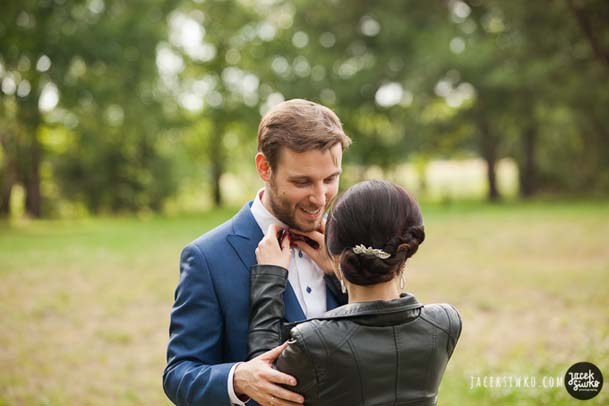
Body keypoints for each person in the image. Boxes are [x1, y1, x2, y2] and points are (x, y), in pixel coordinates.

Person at [163, 99, 352, 406]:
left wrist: (342, 276)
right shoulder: (207, 258)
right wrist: (238, 378)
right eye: (302, 182)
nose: (320, 198)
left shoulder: (348, 238)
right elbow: (179, 374)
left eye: (330, 179)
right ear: (265, 168)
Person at [249, 180, 462, 405]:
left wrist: (269, 277)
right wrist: (338, 269)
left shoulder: (311, 342)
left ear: (337, 256)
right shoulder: (446, 323)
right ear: (404, 253)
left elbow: (265, 378)